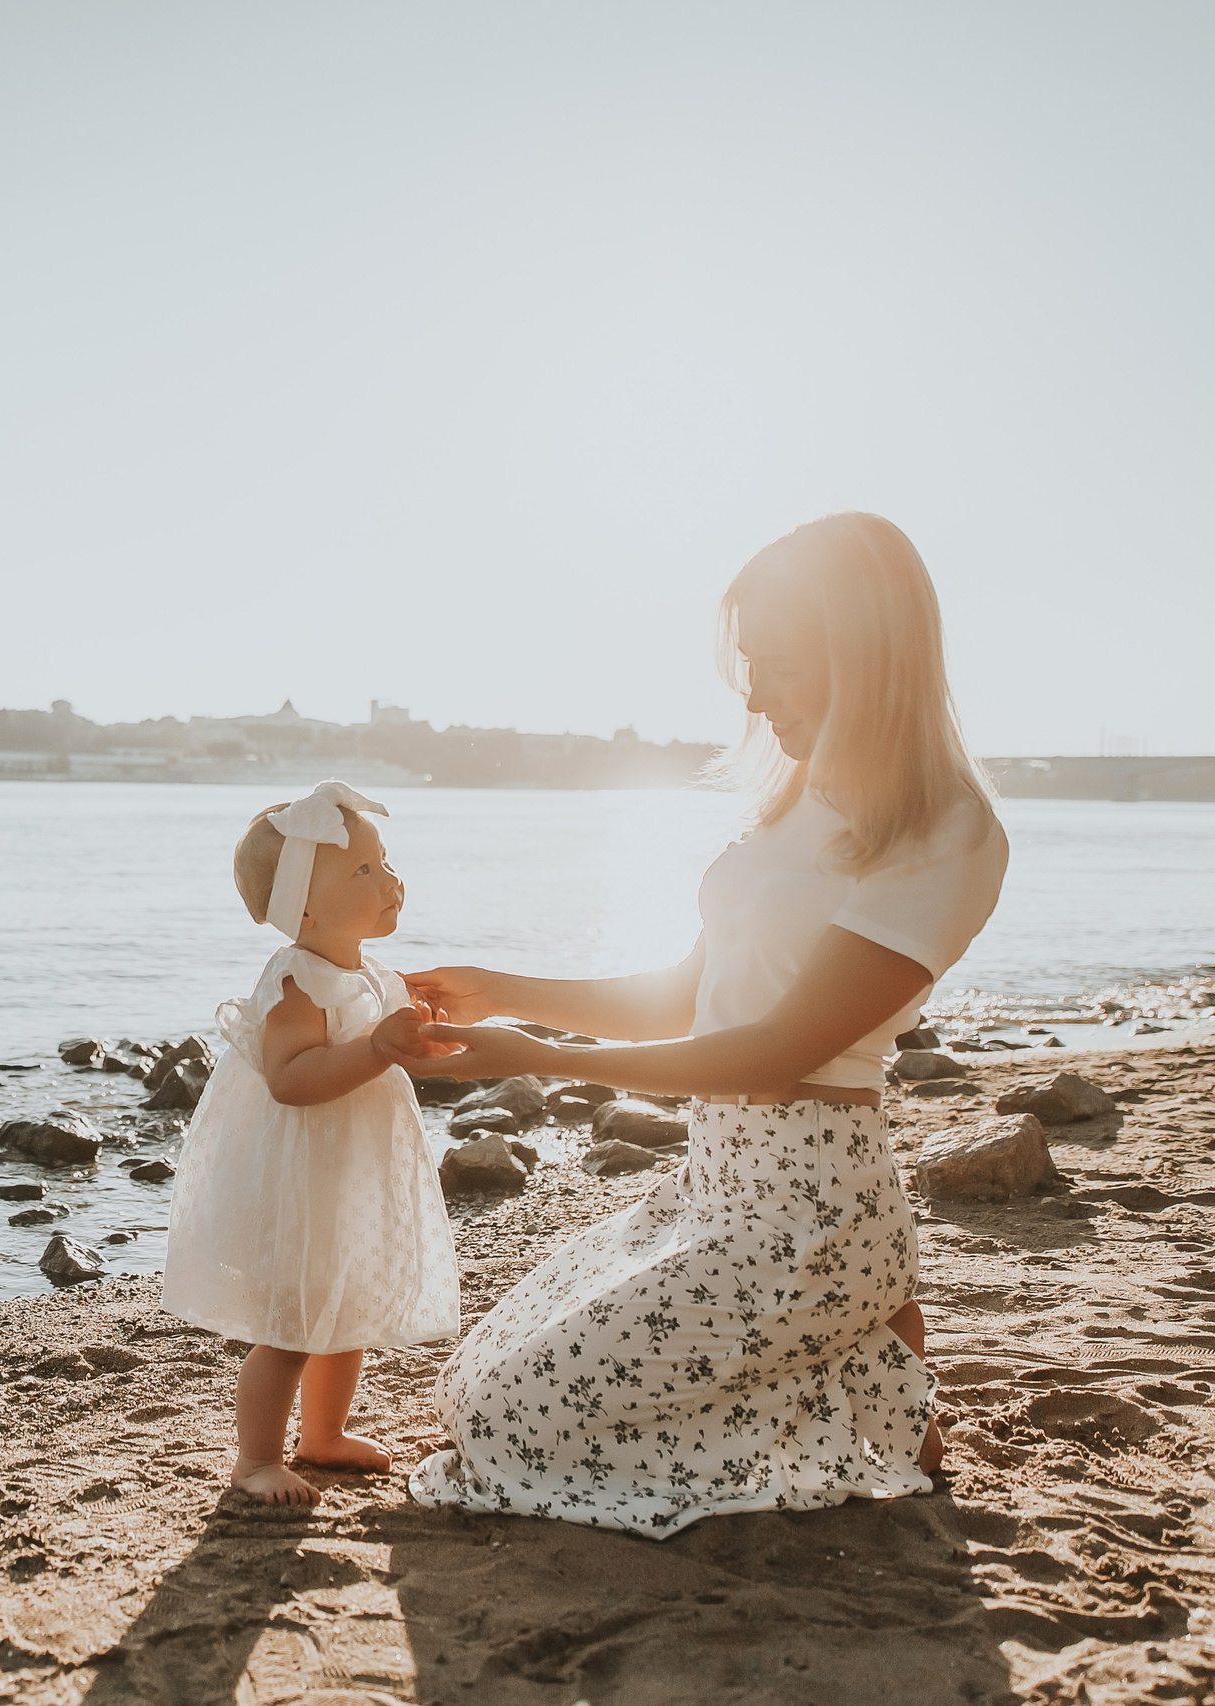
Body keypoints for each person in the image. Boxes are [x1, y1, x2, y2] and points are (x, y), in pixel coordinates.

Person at [390, 512, 1007, 1537]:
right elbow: (688, 996)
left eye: (783, 664)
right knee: (471, 1383)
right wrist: (503, 989)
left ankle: (844, 1401)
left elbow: (775, 1052)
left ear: (868, 653)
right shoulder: (798, 799)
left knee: (505, 1418)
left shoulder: (942, 829)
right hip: (711, 1187)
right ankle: (855, 1381)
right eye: (750, 664)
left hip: (810, 1216)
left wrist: (534, 1062)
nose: (757, 696)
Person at [162, 780, 466, 1506]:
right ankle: (256, 1459)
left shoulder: (366, 973)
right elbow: (291, 1081)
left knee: (345, 1305)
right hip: (301, 1173)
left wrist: (415, 1039)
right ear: (303, 906)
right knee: (292, 1323)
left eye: (384, 860)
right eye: (361, 871)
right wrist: (380, 1052)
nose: (389, 878)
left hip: (349, 1170)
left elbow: (381, 1045)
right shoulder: (297, 979)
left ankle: (323, 1435)